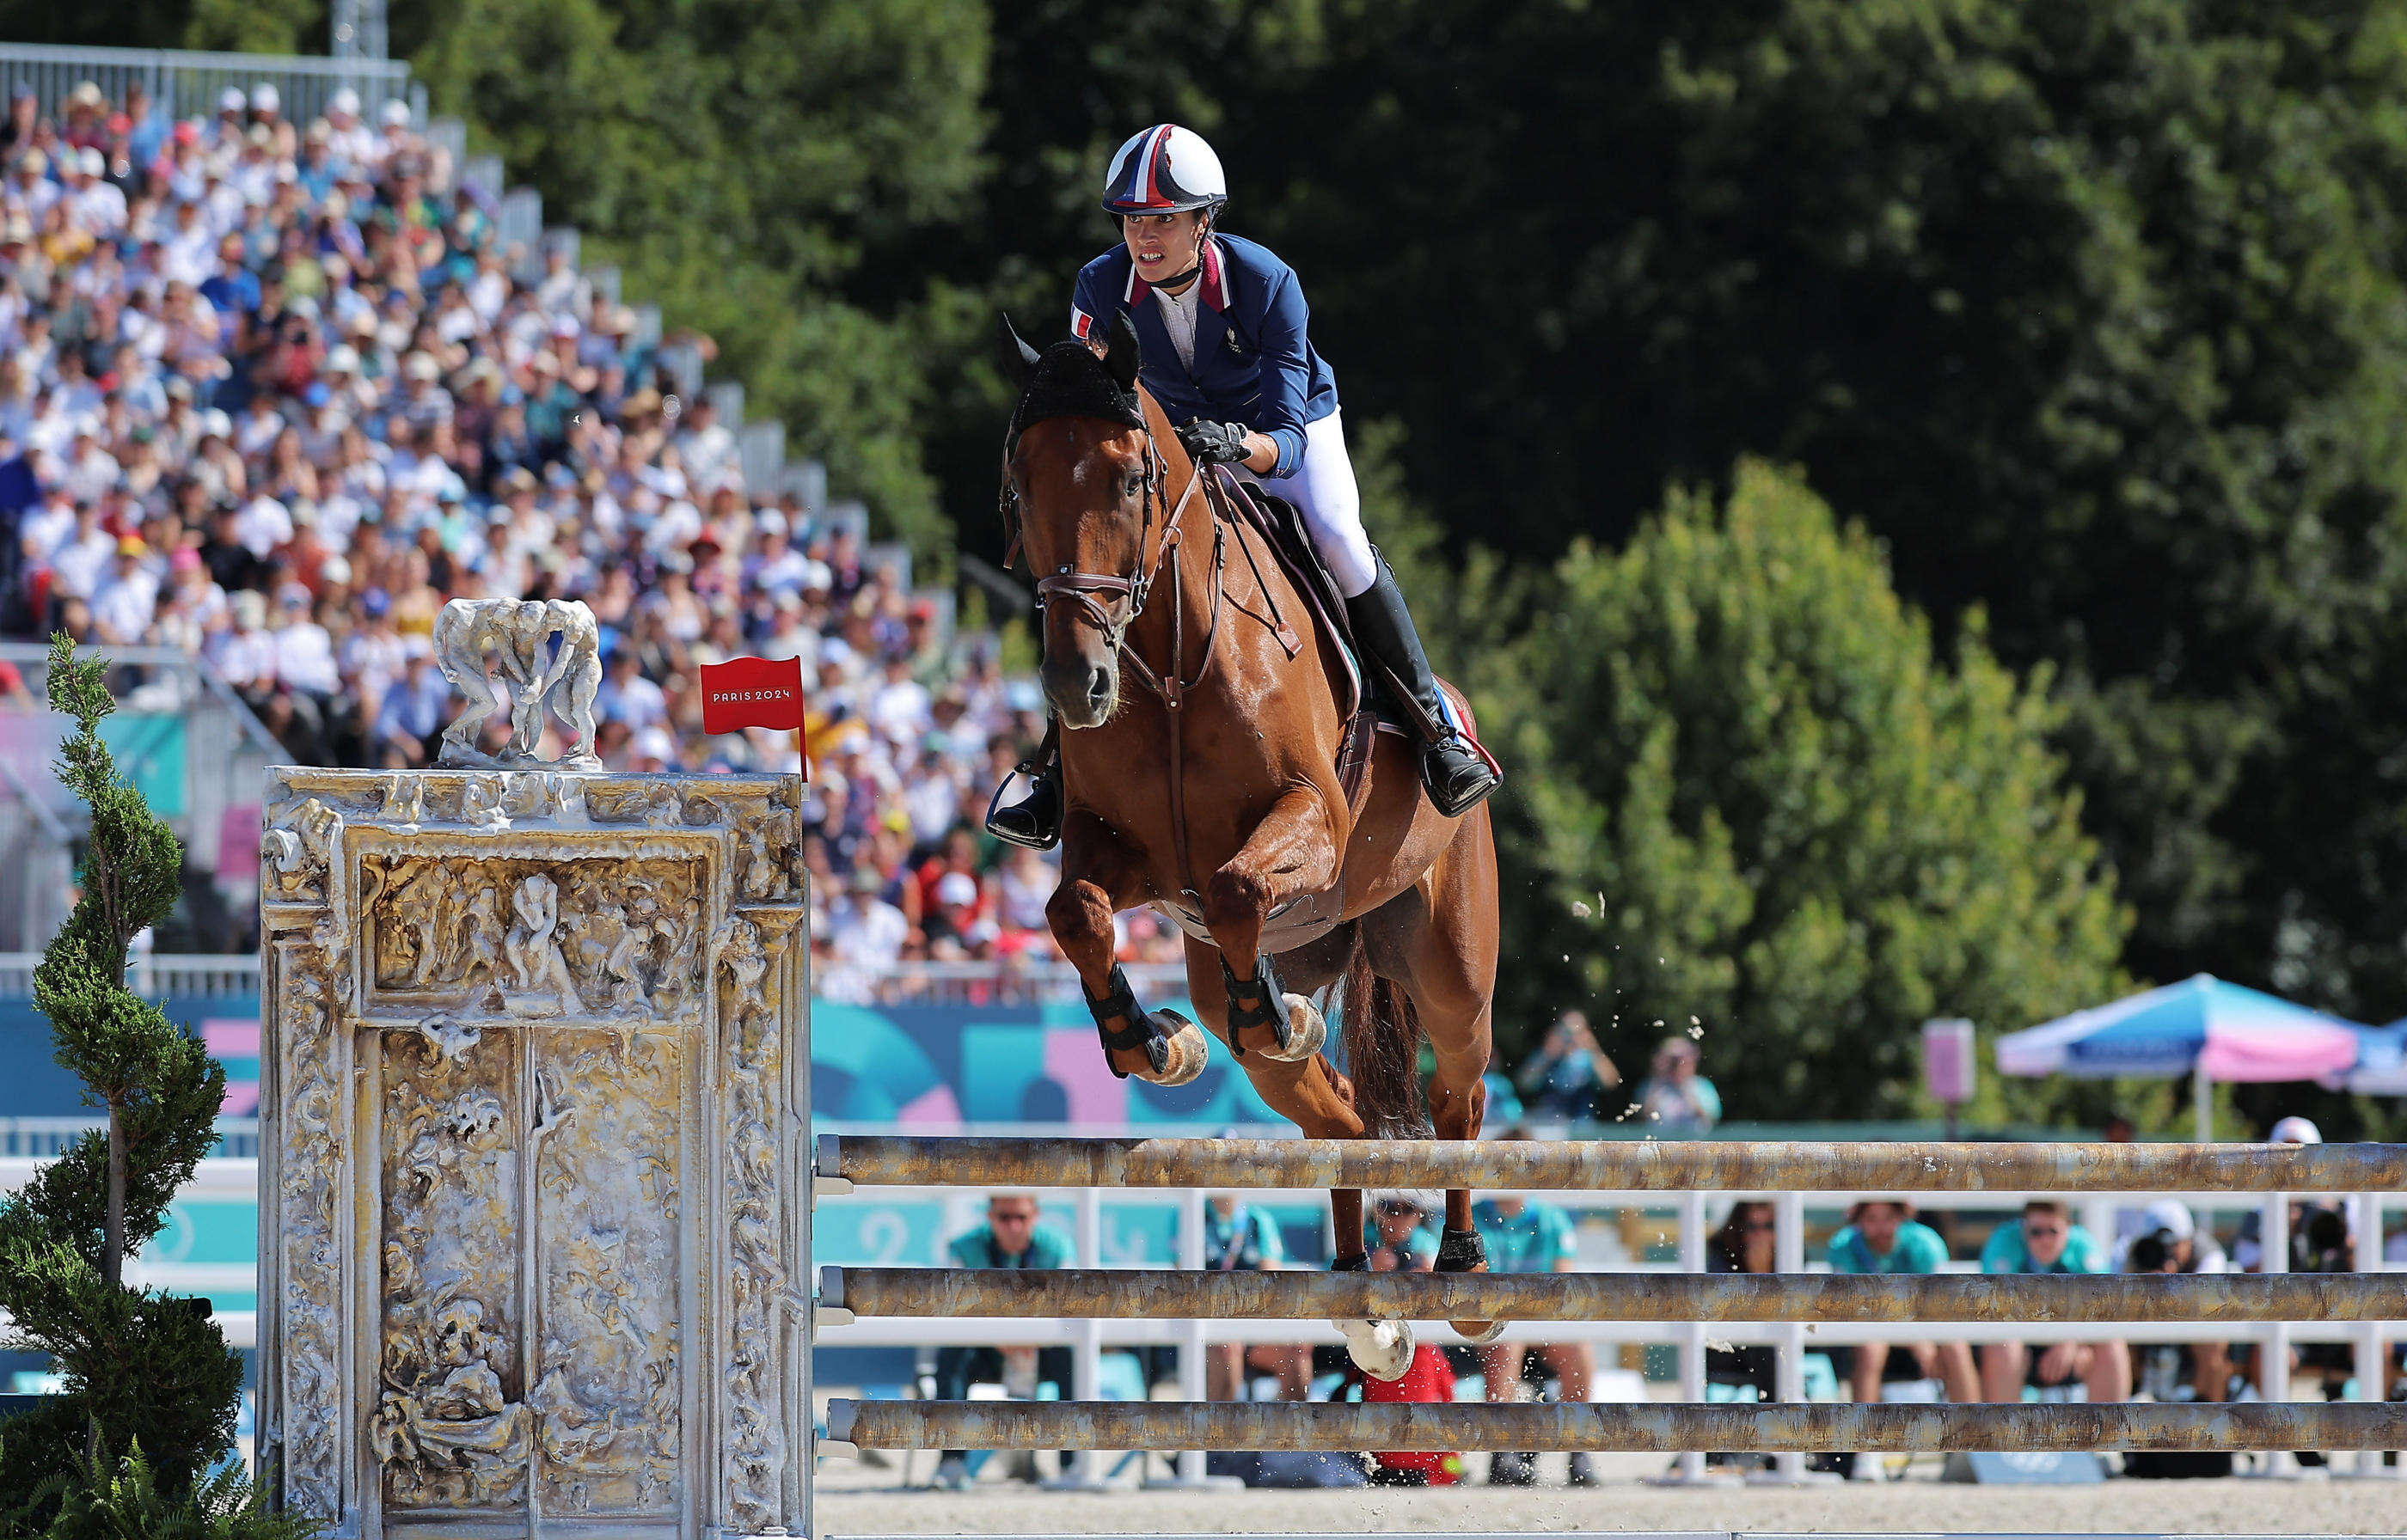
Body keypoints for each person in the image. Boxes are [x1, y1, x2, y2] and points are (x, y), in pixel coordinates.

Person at [986, 123, 1499, 850]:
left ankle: (1435, 731)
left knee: (1338, 540)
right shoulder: (1098, 287)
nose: (1145, 236)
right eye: (1133, 220)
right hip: (1178, 447)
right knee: (1105, 565)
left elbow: (1289, 438)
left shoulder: (1268, 283)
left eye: (1164, 219)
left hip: (1285, 434)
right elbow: (1096, 400)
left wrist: (1239, 446)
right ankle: (1055, 776)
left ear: (1204, 221)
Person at [1473, 1130, 1594, 1487]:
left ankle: (1578, 1445)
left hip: (1534, 1324)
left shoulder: (1551, 1218)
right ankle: (1502, 1447)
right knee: (1507, 1342)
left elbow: (1562, 1286)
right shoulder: (1473, 1218)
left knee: (1579, 1350)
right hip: (1490, 1326)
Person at [931, 1195, 1074, 1491]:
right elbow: (954, 1309)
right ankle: (952, 1462)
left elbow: (1068, 1308)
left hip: (1039, 1348)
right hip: (986, 1351)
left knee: (1069, 1357)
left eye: (1020, 1218)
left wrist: (1030, 1337)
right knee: (952, 1355)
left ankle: (1072, 1465)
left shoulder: (1057, 1247)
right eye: (1004, 1218)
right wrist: (997, 1337)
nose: (1013, 1226)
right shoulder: (963, 1247)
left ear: (1036, 1216)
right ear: (989, 1217)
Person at [1826, 1201, 1978, 1404]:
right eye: (1871, 1218)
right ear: (1858, 1221)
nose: (1881, 1228)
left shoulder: (1925, 1243)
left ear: (1901, 1217)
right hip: (1872, 1332)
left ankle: (1972, 1429)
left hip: (1921, 1330)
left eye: (1889, 1217)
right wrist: (1914, 1338)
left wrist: (1919, 1336)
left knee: (1956, 1347)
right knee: (1871, 1348)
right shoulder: (1842, 1246)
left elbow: (1940, 1303)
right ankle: (1862, 1431)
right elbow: (1850, 1308)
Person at [1978, 1201, 2128, 1404]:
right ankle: (2003, 1433)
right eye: (2036, 1232)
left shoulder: (2083, 1247)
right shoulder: (2004, 1242)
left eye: (2053, 1231)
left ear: (2068, 1228)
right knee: (2003, 1344)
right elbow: (1994, 1306)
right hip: (2019, 1343)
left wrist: (2071, 1342)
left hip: (2071, 1345)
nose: (2045, 1240)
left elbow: (2105, 1307)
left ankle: (2109, 1431)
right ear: (2024, 1230)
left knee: (2110, 1340)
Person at [2124, 1199, 2236, 1411]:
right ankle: (2125, 1412)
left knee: (2213, 1343)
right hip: (2142, 1330)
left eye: (2174, 1244)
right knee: (2116, 1340)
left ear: (2188, 1240)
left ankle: (2208, 1417)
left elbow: (2208, 1308)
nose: (2166, 1252)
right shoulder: (2134, 1252)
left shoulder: (2208, 1254)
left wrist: (2170, 1285)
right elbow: (2115, 1303)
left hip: (2193, 1332)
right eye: (2158, 1245)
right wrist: (2143, 1282)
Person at [1204, 1191, 1311, 1402]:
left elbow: (1272, 1287)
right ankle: (1218, 1432)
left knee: (1296, 1353)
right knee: (1225, 1350)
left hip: (1252, 1327)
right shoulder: (1193, 1214)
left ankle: (1285, 1429)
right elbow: (1182, 1288)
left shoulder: (1258, 1219)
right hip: (1208, 1328)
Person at [1514, 1010, 1619, 1121]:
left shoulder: (1589, 1058)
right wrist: (1547, 1054)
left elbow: (1611, 1082)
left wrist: (1593, 1048)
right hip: (1548, 1122)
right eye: (1566, 1031)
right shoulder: (1546, 1056)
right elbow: (1524, 1083)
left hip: (1581, 1123)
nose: (1571, 1037)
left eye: (1577, 1032)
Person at [1636, 1035, 1720, 1133]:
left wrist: (1685, 1085)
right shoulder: (1650, 1086)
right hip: (1659, 1144)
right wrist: (1658, 1075)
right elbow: (1642, 1118)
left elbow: (1710, 1118)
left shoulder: (1702, 1086)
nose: (1676, 1064)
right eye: (1672, 1060)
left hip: (1694, 1144)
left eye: (1681, 1059)